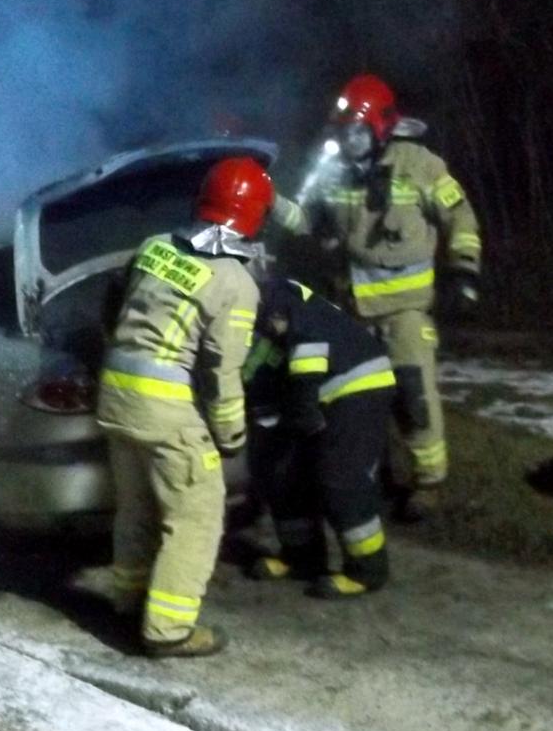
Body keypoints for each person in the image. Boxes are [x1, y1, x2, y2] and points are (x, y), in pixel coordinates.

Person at [271, 74, 481, 521]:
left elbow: (460, 217)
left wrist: (464, 271)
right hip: (352, 315)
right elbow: (307, 220)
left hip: (405, 313)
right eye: (343, 132)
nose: (349, 142)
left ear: (381, 127)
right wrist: (268, 201)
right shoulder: (337, 171)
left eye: (358, 132)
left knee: (413, 395)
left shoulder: (419, 165)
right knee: (355, 403)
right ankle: (372, 476)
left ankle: (429, 482)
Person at [97, 157, 269, 658]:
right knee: (196, 514)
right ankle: (168, 630)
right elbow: (222, 373)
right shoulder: (235, 283)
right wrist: (231, 436)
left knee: (135, 509)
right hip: (164, 406)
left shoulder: (155, 246)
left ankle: (127, 600)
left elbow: (115, 303)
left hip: (115, 394)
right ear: (252, 217)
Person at [240, 277, 397, 598]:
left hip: (357, 387)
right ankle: (301, 558)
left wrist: (303, 417)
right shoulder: (259, 307)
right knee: (282, 473)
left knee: (340, 477)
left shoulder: (279, 300)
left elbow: (305, 361)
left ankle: (368, 570)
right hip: (315, 393)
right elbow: (261, 372)